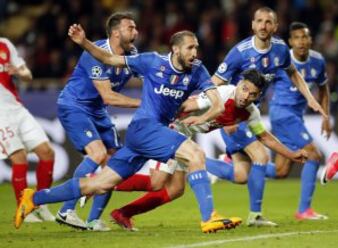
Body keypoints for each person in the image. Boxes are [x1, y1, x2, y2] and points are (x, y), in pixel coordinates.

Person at [15, 25, 241, 233]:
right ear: (175, 49)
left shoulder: (198, 70)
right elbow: (110, 58)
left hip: (147, 134)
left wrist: (200, 118)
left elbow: (218, 104)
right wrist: (84, 42)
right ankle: (209, 217)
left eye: (197, 48)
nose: (195, 53)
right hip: (145, 127)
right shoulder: (152, 61)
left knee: (99, 184)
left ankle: (34, 199)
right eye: (190, 47)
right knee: (196, 154)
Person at [108, 69, 308, 231]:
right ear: (239, 84)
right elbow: (190, 103)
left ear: (258, 96)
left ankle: (122, 212)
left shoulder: (250, 112)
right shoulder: (221, 93)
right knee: (158, 181)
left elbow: (264, 137)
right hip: (170, 129)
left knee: (175, 189)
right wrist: (169, 120)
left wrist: (291, 154)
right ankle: (102, 184)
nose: (246, 96)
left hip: (182, 135)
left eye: (253, 94)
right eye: (245, 89)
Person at [208, 7, 328, 227]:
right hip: (232, 114)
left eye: (268, 22)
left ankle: (196, 164)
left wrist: (310, 97)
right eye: (259, 21)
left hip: (249, 113)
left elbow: (292, 72)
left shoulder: (281, 49)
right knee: (261, 156)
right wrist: (222, 114)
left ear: (275, 26)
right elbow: (213, 83)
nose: (263, 26)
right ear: (253, 25)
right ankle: (255, 216)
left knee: (241, 175)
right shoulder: (240, 52)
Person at [55, 12, 141, 231]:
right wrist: (144, 104)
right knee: (97, 154)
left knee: (115, 163)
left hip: (97, 111)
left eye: (135, 27)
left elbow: (150, 77)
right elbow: (109, 97)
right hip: (75, 105)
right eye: (130, 28)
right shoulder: (94, 55)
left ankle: (93, 220)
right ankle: (66, 210)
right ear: (115, 32)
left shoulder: (131, 54)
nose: (136, 32)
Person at [267, 22, 331, 220]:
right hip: (281, 114)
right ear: (290, 42)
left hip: (296, 116)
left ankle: (239, 163)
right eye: (297, 38)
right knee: (313, 155)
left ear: (311, 39)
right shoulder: (281, 60)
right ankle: (304, 210)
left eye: (305, 37)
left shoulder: (318, 61)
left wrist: (325, 117)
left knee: (280, 171)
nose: (301, 41)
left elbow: (323, 89)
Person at [0, 37, 55, 222]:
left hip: (17, 109)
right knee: (19, 157)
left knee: (47, 152)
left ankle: (41, 205)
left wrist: (20, 72)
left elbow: (27, 74)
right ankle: (24, 209)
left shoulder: (5, 45)